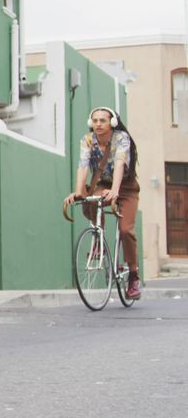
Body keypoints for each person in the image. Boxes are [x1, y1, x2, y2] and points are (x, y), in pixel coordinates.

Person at [63, 106, 141, 299]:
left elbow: (120, 163)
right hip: (103, 184)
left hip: (126, 189)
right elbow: (83, 166)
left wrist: (115, 190)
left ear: (112, 122)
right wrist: (79, 191)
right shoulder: (88, 140)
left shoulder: (121, 138)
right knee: (89, 201)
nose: (98, 124)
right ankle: (98, 238)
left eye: (102, 120)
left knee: (125, 230)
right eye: (95, 121)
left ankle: (133, 275)